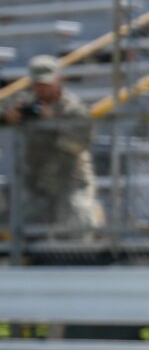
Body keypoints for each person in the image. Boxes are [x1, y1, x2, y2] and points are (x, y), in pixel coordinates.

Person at [0, 55, 103, 236]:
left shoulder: (74, 109)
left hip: (70, 181)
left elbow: (79, 143)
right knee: (23, 231)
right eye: (38, 83)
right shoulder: (26, 103)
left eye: (46, 83)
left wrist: (51, 124)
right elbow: (5, 114)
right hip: (36, 181)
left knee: (77, 231)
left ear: (59, 80)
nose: (42, 88)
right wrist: (6, 117)